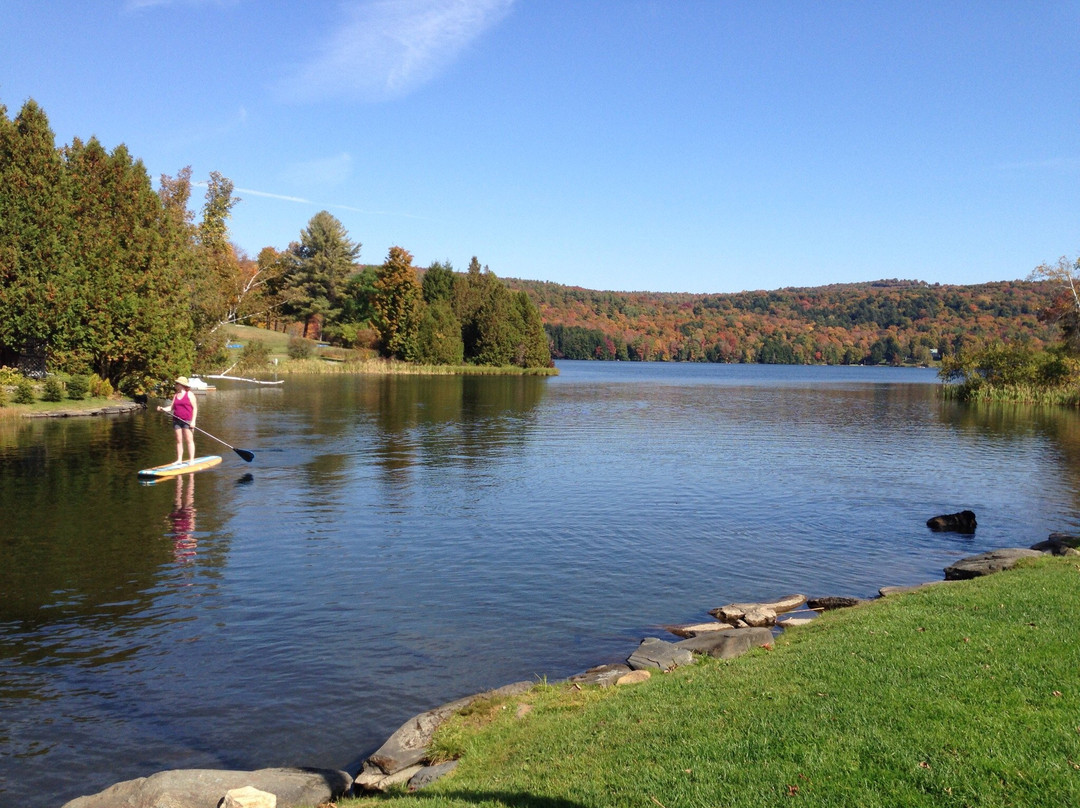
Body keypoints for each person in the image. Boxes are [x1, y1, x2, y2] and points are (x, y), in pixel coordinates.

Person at [157, 377, 198, 464]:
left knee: (189, 440)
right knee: (179, 440)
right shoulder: (176, 395)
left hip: (187, 420)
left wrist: (193, 421)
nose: (175, 385)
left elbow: (195, 408)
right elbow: (171, 408)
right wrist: (162, 409)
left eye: (177, 384)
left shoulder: (190, 394)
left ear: (182, 385)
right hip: (176, 420)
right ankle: (179, 460)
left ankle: (191, 460)